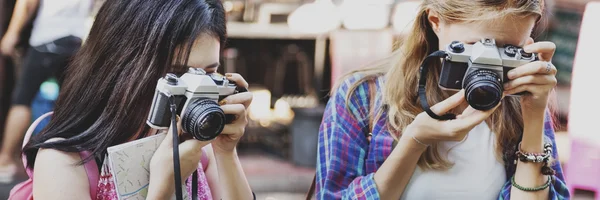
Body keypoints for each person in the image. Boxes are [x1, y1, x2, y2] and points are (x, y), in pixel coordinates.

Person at [315, 0, 570, 199]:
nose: (489, 62)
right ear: (435, 21)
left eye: (507, 49)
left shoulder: (520, 99)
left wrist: (534, 118)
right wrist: (414, 142)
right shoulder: (362, 97)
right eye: (476, 46)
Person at [11, 0, 255, 199]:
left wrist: (226, 151)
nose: (195, 90)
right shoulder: (64, 162)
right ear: (119, 66)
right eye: (176, 75)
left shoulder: (197, 145)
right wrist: (162, 189)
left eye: (208, 74)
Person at [0, 0, 92, 182]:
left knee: (22, 99)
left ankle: (4, 160)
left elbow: (27, 2)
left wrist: (12, 33)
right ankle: (70, 163)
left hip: (47, 38)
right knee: (70, 103)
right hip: (75, 40)